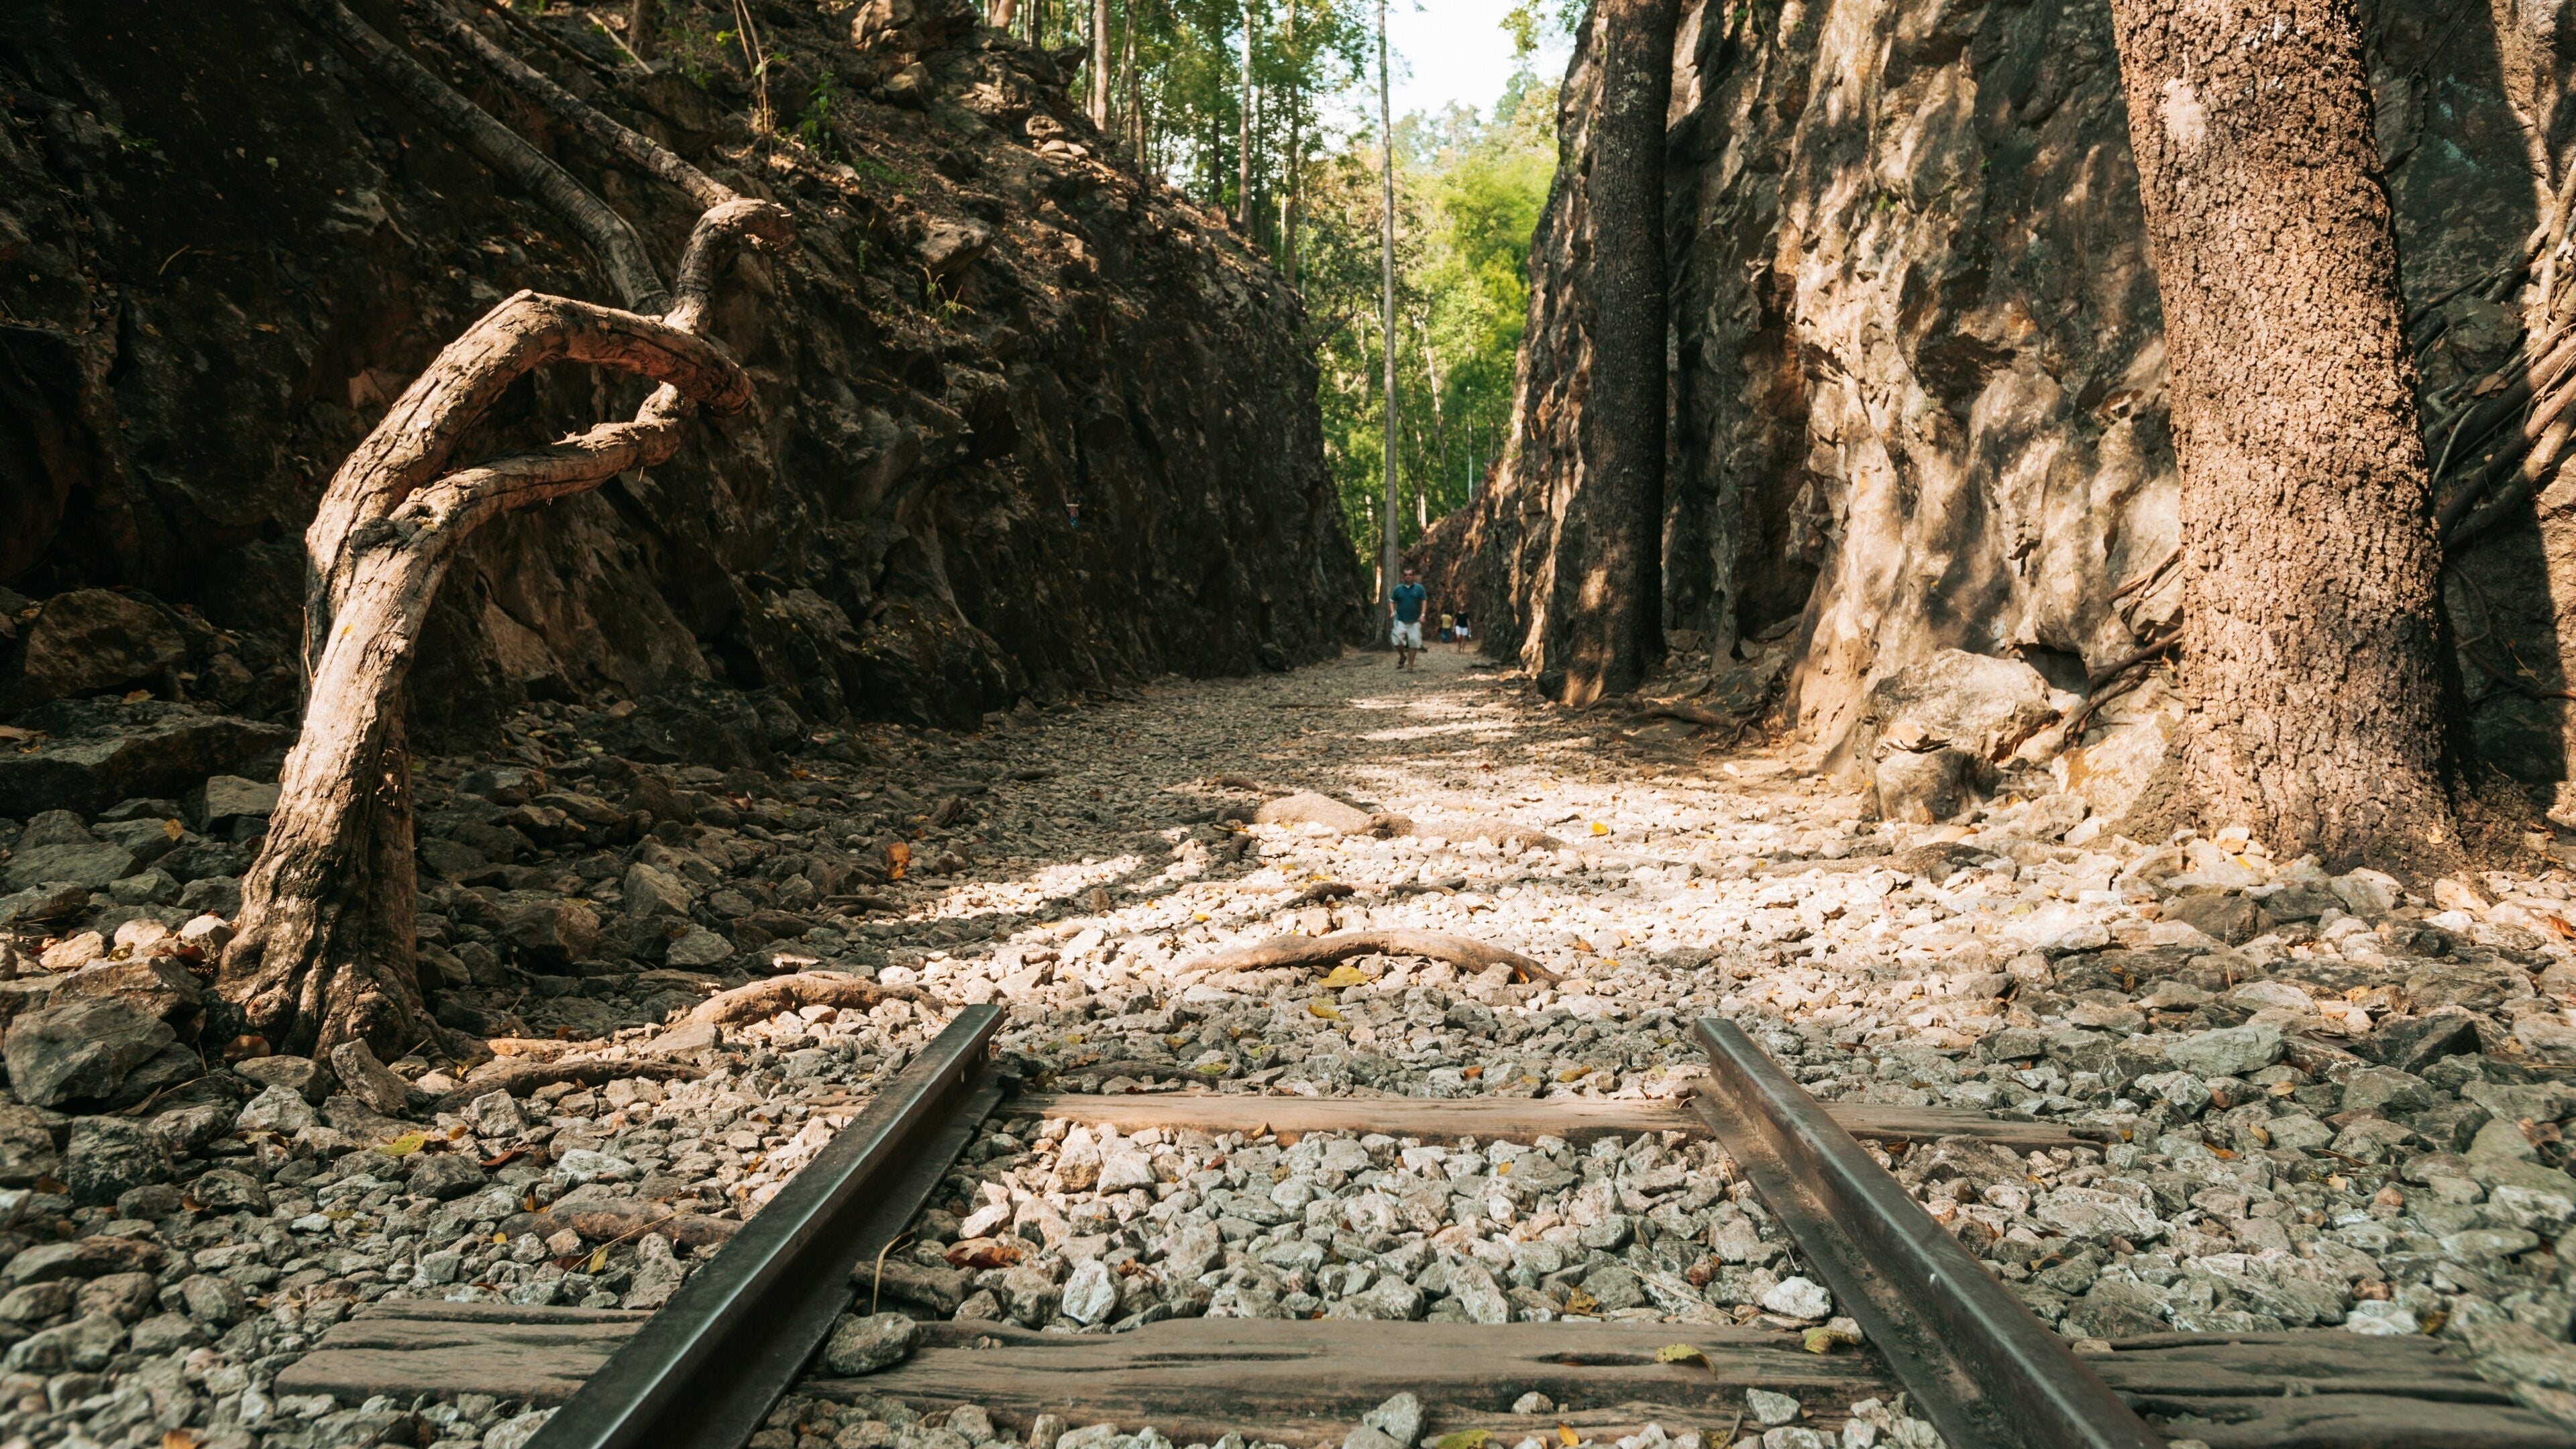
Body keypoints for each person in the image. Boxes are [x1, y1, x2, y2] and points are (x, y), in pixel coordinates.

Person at [1389, 568, 1428, 670]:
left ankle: (1410, 666)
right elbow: (1391, 601)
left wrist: (1423, 615)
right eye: (1406, 575)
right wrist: (1392, 612)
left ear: (1413, 576)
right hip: (1400, 620)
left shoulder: (1419, 589)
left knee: (1413, 642)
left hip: (1415, 621)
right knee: (1396, 641)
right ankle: (1402, 656)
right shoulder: (1398, 589)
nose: (1408, 576)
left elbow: (1424, 600)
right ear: (1403, 577)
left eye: (1410, 575)